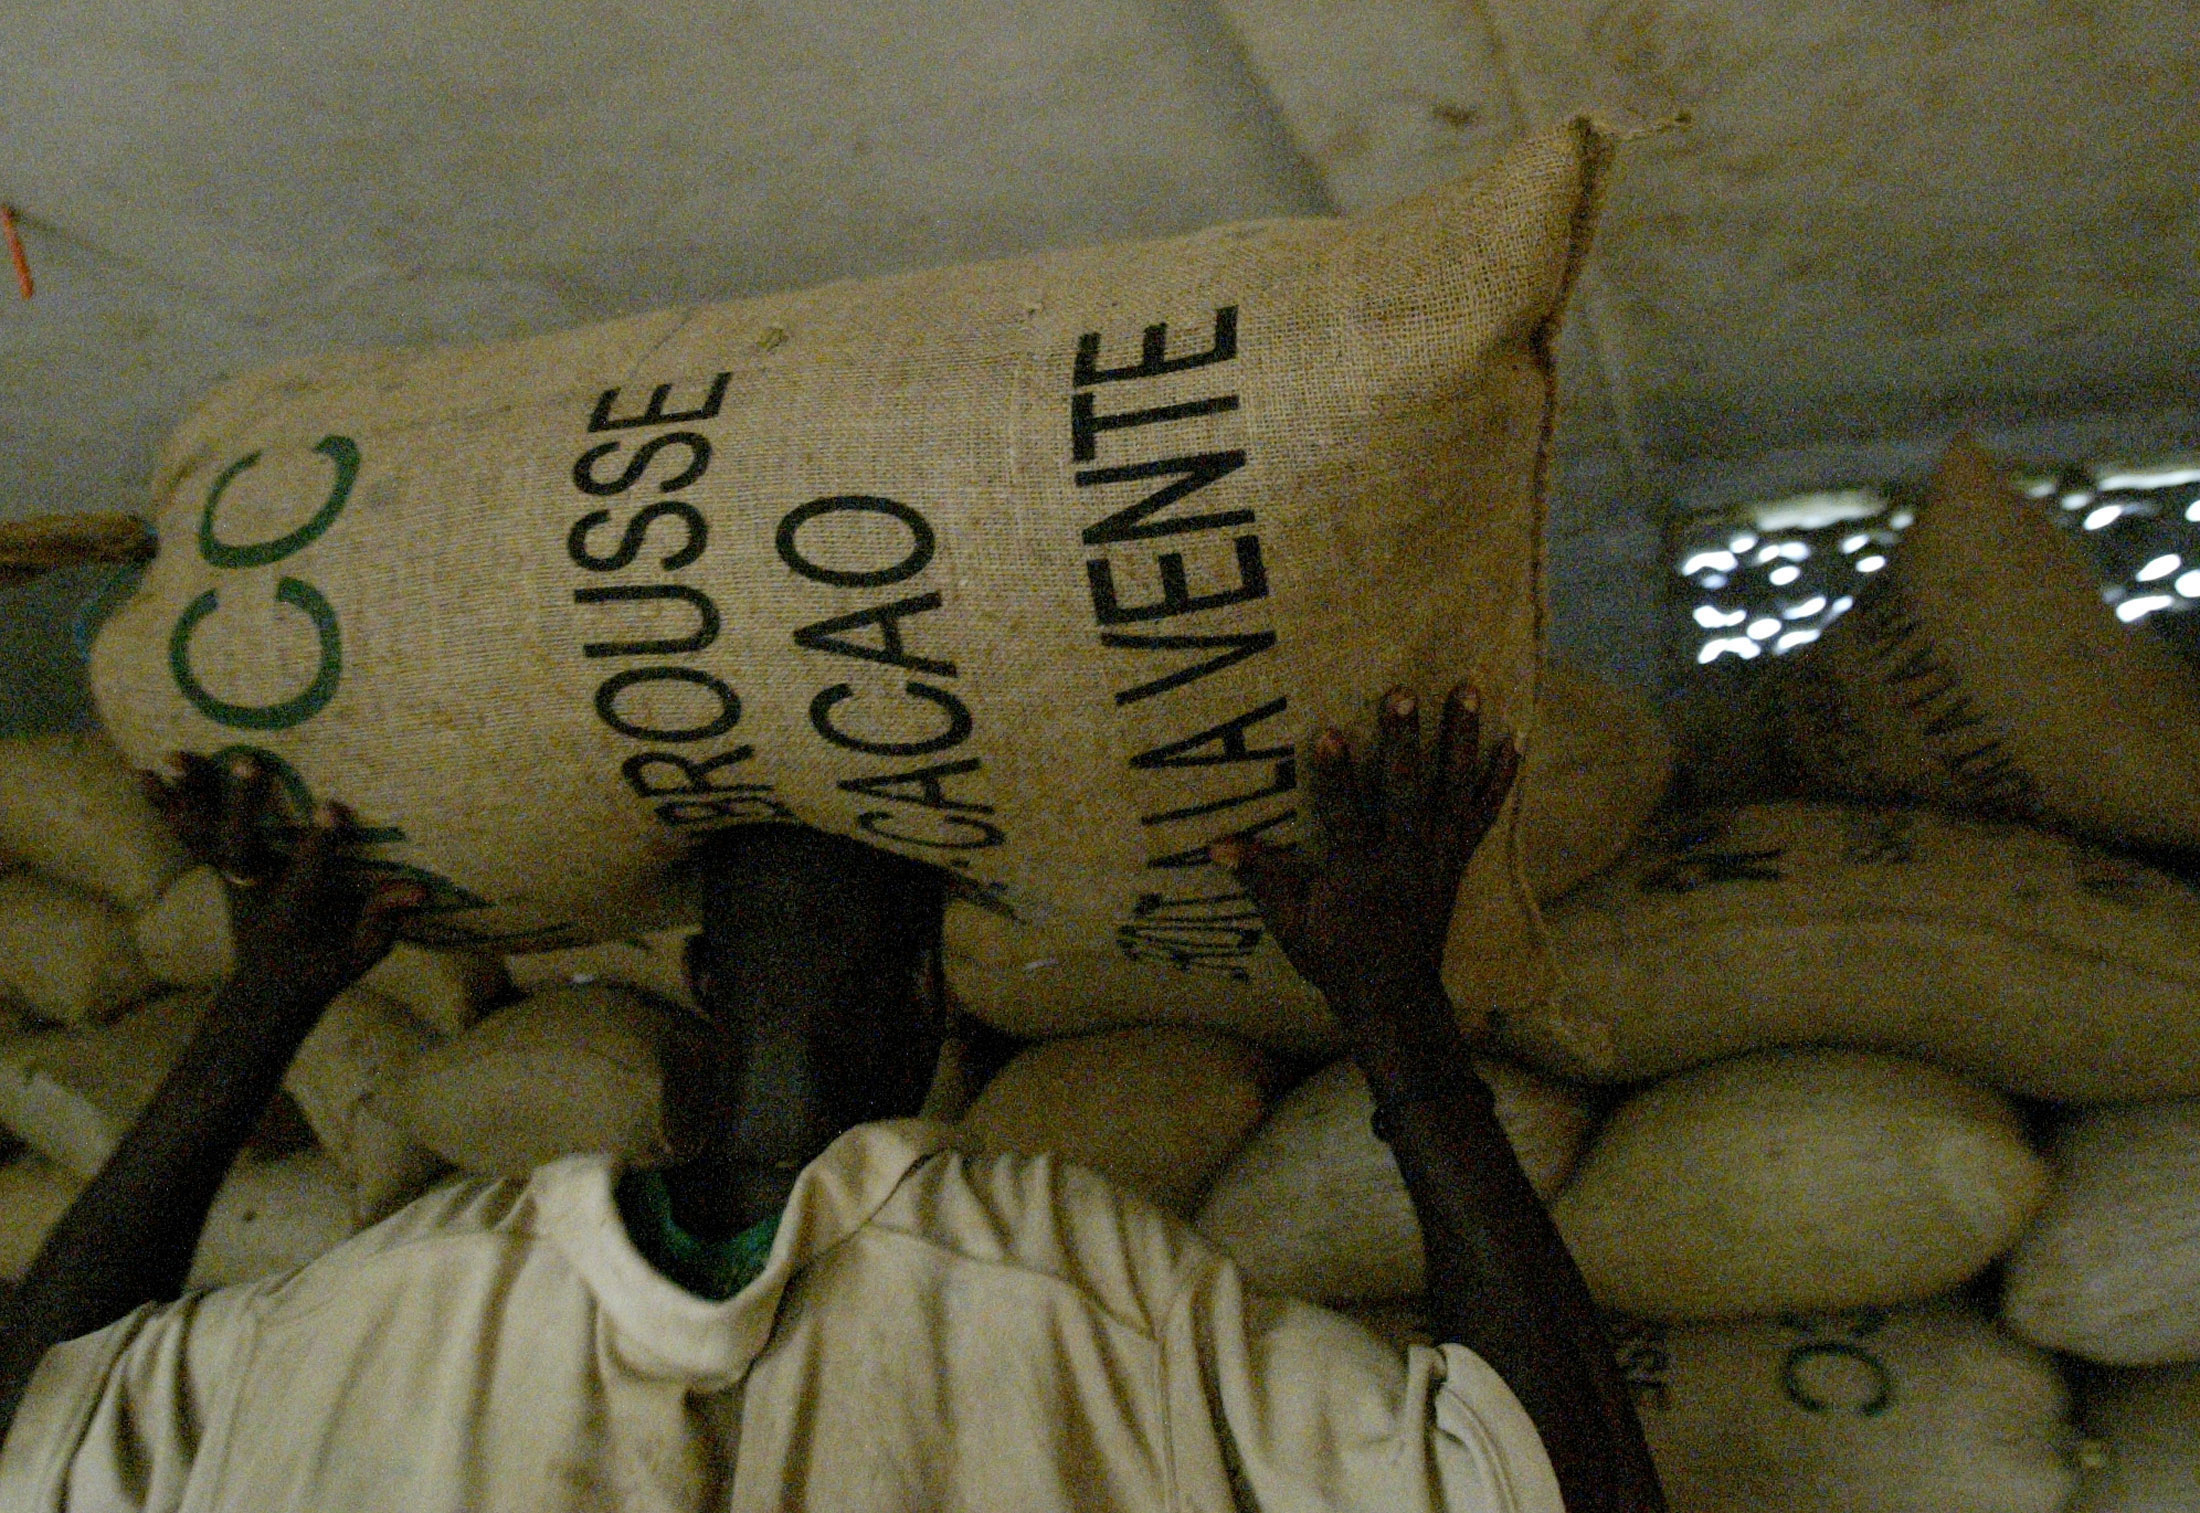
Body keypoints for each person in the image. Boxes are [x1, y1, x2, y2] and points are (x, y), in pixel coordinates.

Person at [0, 685, 1664, 1512]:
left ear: (697, 996)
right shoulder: (1083, 1281)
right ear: (938, 1004)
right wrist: (1390, 1002)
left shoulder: (403, 1294)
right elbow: (1551, 1481)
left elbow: (34, 1405)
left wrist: (265, 1007)